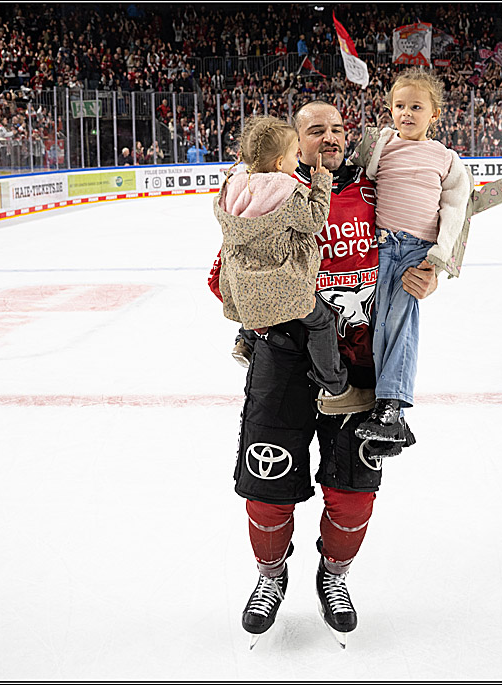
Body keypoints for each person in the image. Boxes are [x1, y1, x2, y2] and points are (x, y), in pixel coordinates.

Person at [206, 100, 438, 648]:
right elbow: (223, 272)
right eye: (315, 131)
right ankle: (270, 575)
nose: (330, 137)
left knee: (353, 489)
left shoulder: (375, 191)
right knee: (266, 487)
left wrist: (432, 271)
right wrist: (256, 305)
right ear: (293, 144)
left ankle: (334, 576)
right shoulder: (268, 195)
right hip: (281, 359)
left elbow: (427, 229)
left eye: (337, 129)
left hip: (357, 363)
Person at [348, 67, 502, 443]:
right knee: (377, 325)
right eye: (399, 106)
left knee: (399, 322)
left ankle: (392, 405)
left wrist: (497, 193)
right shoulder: (381, 146)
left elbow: (459, 206)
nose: (406, 113)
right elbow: (354, 182)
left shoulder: (445, 158)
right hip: (379, 248)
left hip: (416, 253)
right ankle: (385, 409)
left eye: (416, 107)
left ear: (434, 114)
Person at [214, 115, 358, 414]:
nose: (298, 159)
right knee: (321, 322)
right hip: (282, 281)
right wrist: (320, 183)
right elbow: (314, 220)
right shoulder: (285, 190)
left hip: (242, 283)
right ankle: (334, 386)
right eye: (295, 154)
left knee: (253, 293)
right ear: (280, 163)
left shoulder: (234, 186)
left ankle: (246, 339)